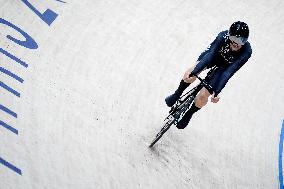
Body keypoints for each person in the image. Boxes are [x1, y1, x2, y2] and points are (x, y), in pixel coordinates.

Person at [165, 21, 252, 129]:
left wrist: (217, 92)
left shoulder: (247, 52)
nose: (237, 43)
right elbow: (209, 56)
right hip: (214, 56)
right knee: (191, 72)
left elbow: (228, 72)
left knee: (203, 95)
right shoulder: (222, 36)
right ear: (229, 35)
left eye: (241, 40)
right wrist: (195, 71)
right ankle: (177, 94)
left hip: (224, 68)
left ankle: (189, 113)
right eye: (234, 38)